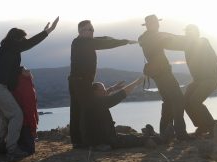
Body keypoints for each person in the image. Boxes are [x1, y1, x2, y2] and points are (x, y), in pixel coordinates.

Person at [0, 17, 59, 161]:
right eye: (23, 39)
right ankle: (12, 149)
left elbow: (8, 68)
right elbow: (30, 44)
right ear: (17, 38)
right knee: (16, 115)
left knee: (6, 117)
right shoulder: (12, 46)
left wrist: (20, 70)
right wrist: (47, 32)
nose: (25, 41)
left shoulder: (4, 49)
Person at [68, 20, 136, 148]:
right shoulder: (80, 42)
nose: (93, 31)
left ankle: (78, 142)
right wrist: (124, 42)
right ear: (81, 31)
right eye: (90, 29)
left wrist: (118, 39)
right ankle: (93, 143)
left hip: (80, 82)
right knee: (88, 110)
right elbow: (102, 43)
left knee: (79, 111)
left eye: (93, 29)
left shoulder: (83, 42)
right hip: (80, 82)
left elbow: (103, 39)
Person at [138, 15, 189, 141]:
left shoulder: (145, 38)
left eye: (157, 23)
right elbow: (172, 39)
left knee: (168, 101)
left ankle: (165, 133)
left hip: (156, 73)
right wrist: (190, 41)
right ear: (150, 25)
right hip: (163, 72)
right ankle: (180, 133)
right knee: (178, 99)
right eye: (155, 23)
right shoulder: (155, 36)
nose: (157, 25)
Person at [172, 24, 217, 136]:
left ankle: (212, 126)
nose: (188, 34)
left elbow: (181, 42)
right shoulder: (187, 45)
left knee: (195, 101)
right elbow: (174, 43)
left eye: (190, 32)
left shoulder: (203, 42)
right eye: (187, 32)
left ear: (196, 33)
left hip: (211, 78)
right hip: (198, 80)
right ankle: (202, 125)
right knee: (185, 101)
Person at [89, 76, 149, 149]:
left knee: (131, 136)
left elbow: (103, 94)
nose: (105, 91)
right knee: (135, 139)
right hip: (107, 140)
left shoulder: (92, 101)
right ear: (95, 92)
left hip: (102, 138)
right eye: (102, 90)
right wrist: (136, 83)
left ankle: (150, 135)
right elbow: (121, 95)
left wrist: (112, 89)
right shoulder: (100, 102)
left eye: (105, 89)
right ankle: (158, 139)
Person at [12, 67, 39, 154]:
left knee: (26, 146)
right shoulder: (25, 85)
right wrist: (33, 129)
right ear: (20, 74)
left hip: (20, 122)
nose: (28, 71)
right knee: (30, 150)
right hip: (25, 123)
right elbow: (29, 109)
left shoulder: (22, 82)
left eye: (28, 69)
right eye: (25, 70)